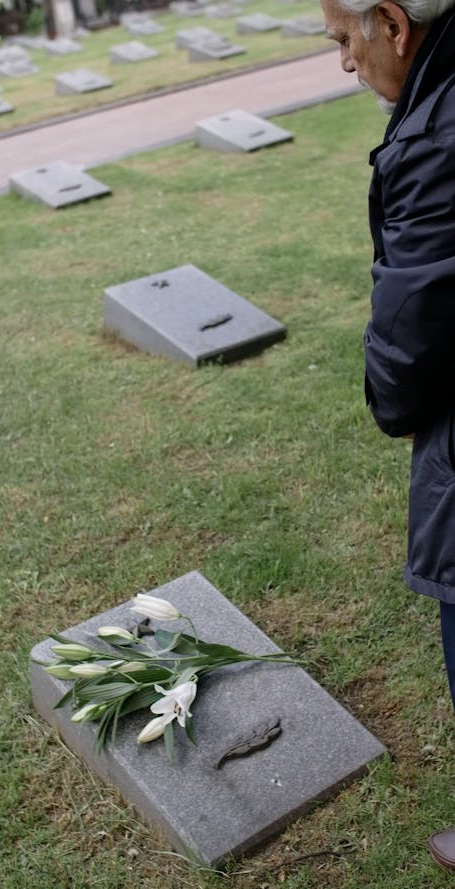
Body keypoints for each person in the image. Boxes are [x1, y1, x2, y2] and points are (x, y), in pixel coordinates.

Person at [320, 0, 455, 870]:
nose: (342, 63)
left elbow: (413, 317)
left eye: (343, 40)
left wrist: (389, 403)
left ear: (392, 25)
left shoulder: (435, 139)